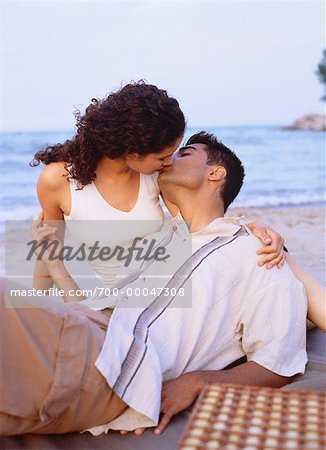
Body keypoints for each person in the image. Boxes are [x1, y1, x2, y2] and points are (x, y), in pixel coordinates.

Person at [1, 131, 314, 437]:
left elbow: (277, 361)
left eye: (184, 153)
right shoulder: (162, 244)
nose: (167, 161)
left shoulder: (257, 252)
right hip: (86, 334)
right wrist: (55, 266)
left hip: (111, 363)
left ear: (216, 173)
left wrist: (200, 381)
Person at [31, 81, 286, 292]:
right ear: (130, 151)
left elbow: (202, 230)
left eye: (173, 154)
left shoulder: (156, 176)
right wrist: (34, 307)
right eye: (163, 156)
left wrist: (255, 227)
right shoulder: (56, 181)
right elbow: (49, 251)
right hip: (113, 303)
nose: (169, 163)